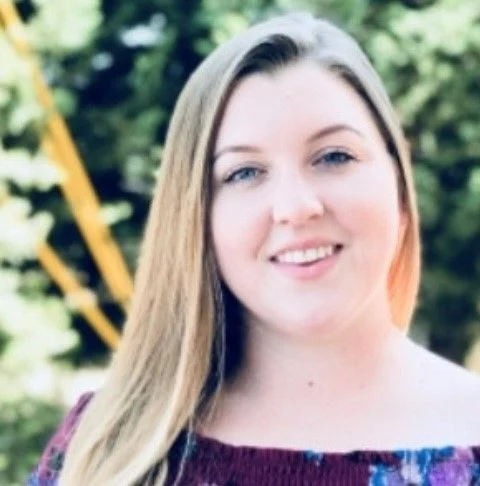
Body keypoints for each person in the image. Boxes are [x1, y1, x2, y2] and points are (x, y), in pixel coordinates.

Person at [28, 11, 480, 486]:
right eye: (243, 173)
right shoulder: (108, 450)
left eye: (334, 157)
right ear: (196, 217)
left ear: (399, 183)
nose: (296, 207)